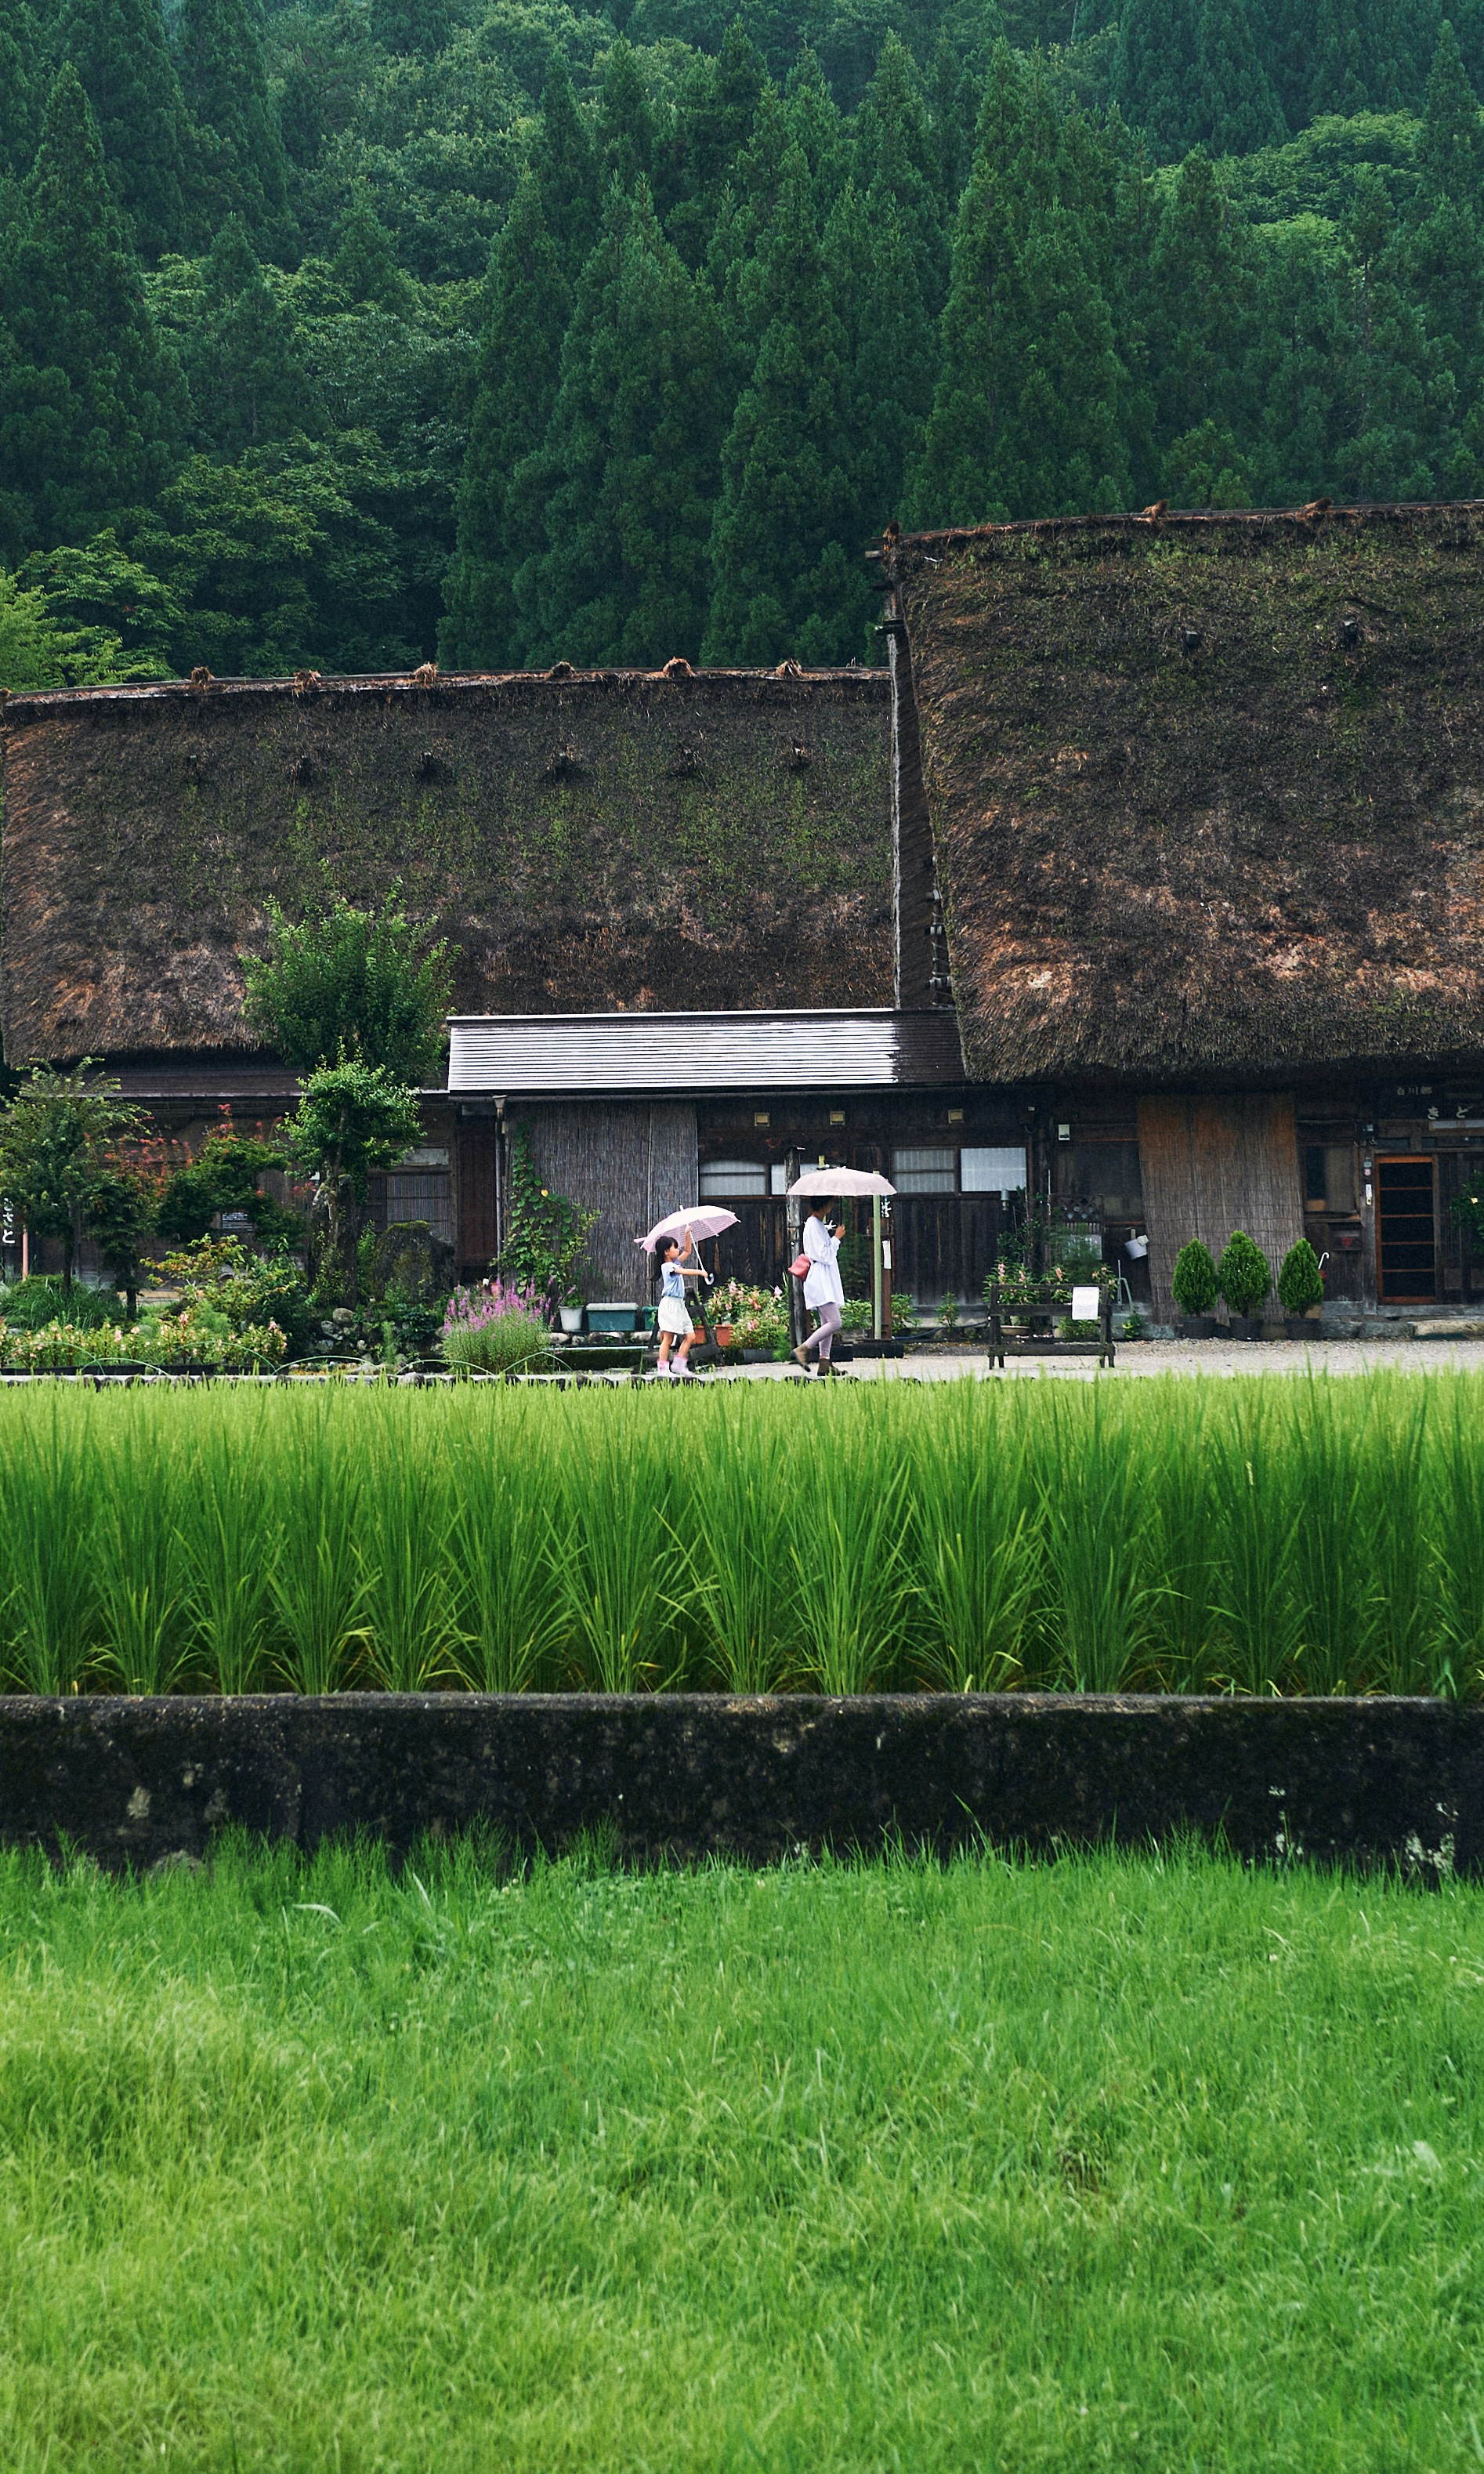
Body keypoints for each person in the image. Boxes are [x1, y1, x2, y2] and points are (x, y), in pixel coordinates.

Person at [791, 1207, 844, 1375]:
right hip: (820, 1280)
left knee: (826, 1322)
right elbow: (824, 1255)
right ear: (826, 1206)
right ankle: (803, 1349)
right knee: (835, 1322)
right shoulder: (814, 1225)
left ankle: (824, 1362)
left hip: (823, 1279)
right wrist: (836, 1239)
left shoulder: (817, 1224)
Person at [655, 1230, 703, 1376]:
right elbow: (685, 1271)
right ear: (666, 1252)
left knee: (690, 1336)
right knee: (668, 1338)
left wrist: (687, 1235)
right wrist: (700, 1272)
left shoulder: (674, 1263)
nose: (678, 1250)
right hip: (670, 1305)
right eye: (675, 1248)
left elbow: (688, 1251)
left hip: (679, 1305)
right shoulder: (668, 1267)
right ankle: (662, 1369)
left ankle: (678, 1366)